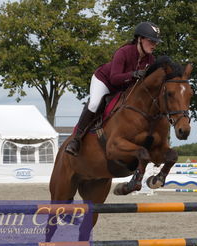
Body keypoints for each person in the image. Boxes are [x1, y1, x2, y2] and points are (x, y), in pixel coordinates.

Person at [65, 21, 162, 156]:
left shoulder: (151, 60)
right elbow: (114, 78)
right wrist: (133, 74)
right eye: (151, 41)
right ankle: (76, 139)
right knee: (94, 104)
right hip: (105, 81)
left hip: (124, 87)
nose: (154, 45)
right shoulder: (123, 52)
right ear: (140, 39)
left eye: (156, 42)